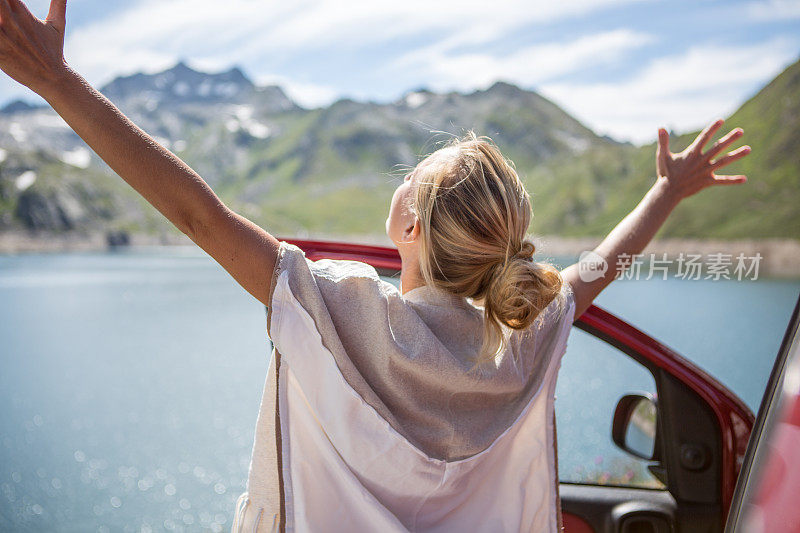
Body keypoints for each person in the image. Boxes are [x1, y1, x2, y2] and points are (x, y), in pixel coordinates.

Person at [0, 1, 751, 531]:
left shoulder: (339, 310)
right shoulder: (524, 335)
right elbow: (595, 268)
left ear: (412, 223)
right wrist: (667, 191)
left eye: (412, 175)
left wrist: (58, 82)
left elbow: (201, 215)